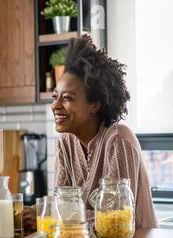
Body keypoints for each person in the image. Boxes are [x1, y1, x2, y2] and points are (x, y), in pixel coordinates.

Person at [52, 35, 157, 228]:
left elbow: (116, 218)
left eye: (66, 98)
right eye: (55, 96)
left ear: (94, 105)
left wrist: (52, 216)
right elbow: (60, 205)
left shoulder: (118, 140)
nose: (55, 105)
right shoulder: (65, 142)